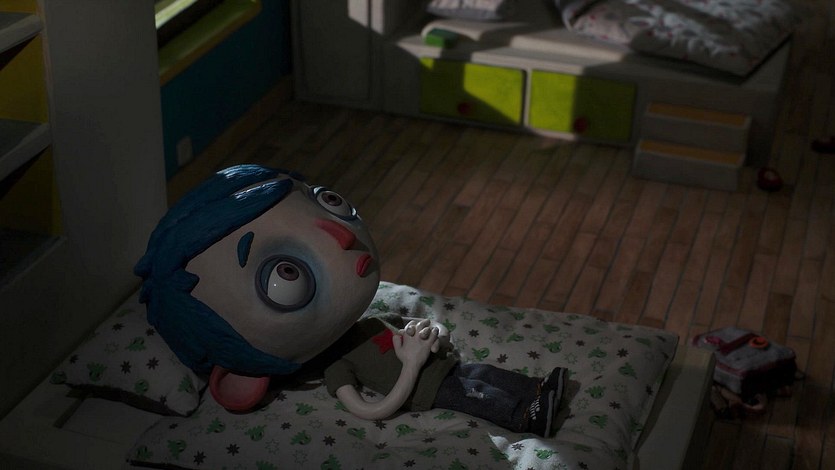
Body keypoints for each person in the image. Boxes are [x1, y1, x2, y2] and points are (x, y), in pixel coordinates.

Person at [324, 314, 567, 437]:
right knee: (476, 394)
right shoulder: (335, 363)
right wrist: (411, 365)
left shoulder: (373, 321)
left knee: (485, 372)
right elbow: (368, 410)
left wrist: (436, 337)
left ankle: (538, 388)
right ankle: (526, 417)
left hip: (444, 364)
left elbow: (426, 324)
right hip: (427, 388)